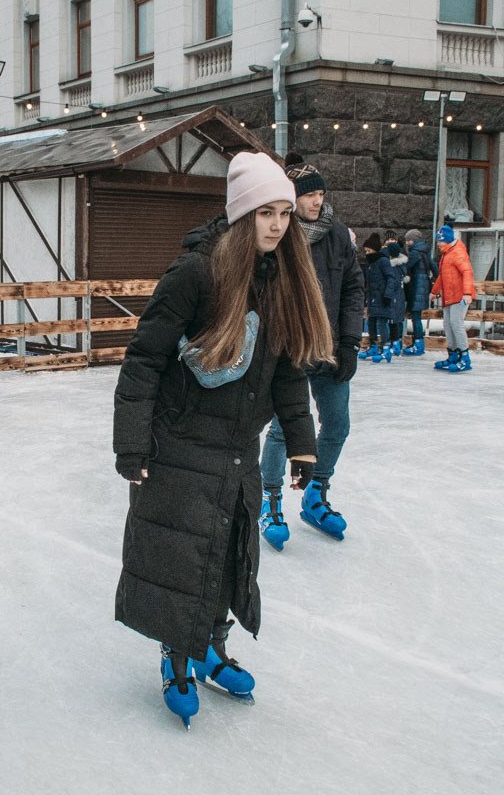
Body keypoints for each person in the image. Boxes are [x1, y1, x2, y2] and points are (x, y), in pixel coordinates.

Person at [112, 152, 334, 727]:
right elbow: (143, 362)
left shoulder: (280, 279)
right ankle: (177, 655)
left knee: (227, 554)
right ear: (242, 214)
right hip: (182, 444)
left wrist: (302, 445)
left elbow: (286, 372)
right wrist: (132, 446)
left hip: (239, 447)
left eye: (286, 213)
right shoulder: (196, 273)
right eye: (266, 212)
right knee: (183, 556)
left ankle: (210, 644)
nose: (278, 224)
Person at [258, 159, 365, 550]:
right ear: (293, 197)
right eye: (309, 195)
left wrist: (351, 342)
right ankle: (268, 499)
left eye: (321, 194)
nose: (317, 201)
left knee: (337, 425)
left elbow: (354, 289)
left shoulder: (337, 235)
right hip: (291, 350)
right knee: (285, 429)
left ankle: (315, 493)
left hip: (332, 349)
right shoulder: (280, 235)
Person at [430, 225, 476, 372]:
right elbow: (442, 276)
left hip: (460, 296)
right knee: (448, 325)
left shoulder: (457, 253)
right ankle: (453, 354)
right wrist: (434, 291)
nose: (438, 244)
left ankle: (465, 357)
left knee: (456, 324)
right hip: (449, 296)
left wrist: (467, 293)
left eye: (440, 241)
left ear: (447, 240)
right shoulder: (446, 254)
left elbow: (467, 272)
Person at [361, 233, 398, 363]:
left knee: (382, 322)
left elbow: (391, 278)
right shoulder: (370, 263)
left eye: (368, 250)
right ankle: (373, 346)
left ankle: (386, 348)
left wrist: (388, 294)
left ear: (375, 250)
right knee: (371, 321)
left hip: (383, 298)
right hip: (373, 298)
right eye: (365, 251)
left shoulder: (383, 261)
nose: (366, 253)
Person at [402, 228, 436, 356]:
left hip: (416, 286)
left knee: (415, 317)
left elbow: (406, 267)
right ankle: (418, 343)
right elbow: (435, 268)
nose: (407, 243)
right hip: (423, 286)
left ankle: (418, 344)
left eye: (408, 240)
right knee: (417, 316)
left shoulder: (415, 253)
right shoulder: (425, 252)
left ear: (414, 240)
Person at [382, 234, 410, 356]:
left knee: (393, 320)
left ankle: (395, 343)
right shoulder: (401, 265)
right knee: (396, 319)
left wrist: (387, 295)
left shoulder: (392, 266)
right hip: (400, 295)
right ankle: (396, 342)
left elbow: (392, 282)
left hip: (394, 296)